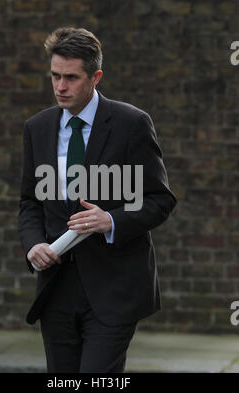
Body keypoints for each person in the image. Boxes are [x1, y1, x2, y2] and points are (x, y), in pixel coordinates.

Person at [18, 27, 177, 373]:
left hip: (114, 288)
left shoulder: (132, 124)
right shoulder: (38, 127)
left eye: (71, 78)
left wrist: (112, 220)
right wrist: (33, 245)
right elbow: (30, 202)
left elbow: (159, 200)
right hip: (56, 288)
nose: (61, 87)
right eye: (55, 76)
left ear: (96, 76)